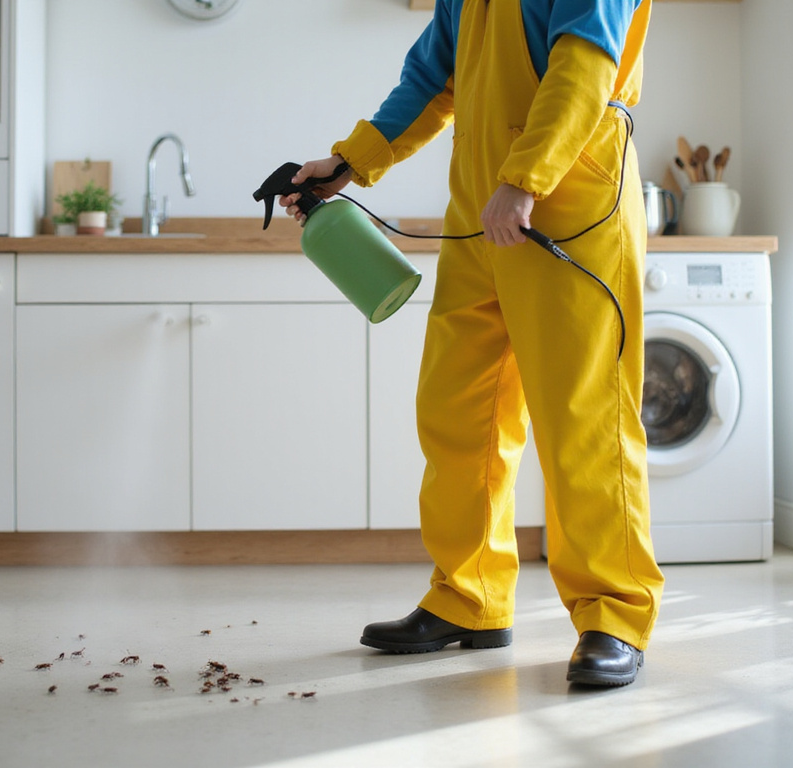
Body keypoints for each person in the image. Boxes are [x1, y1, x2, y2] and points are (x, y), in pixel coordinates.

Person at [280, 0, 664, 686]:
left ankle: (614, 613)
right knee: (459, 412)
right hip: (482, 212)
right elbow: (434, 77)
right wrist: (351, 163)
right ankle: (469, 596)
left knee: (585, 421)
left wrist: (526, 179)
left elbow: (585, 66)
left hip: (566, 207)